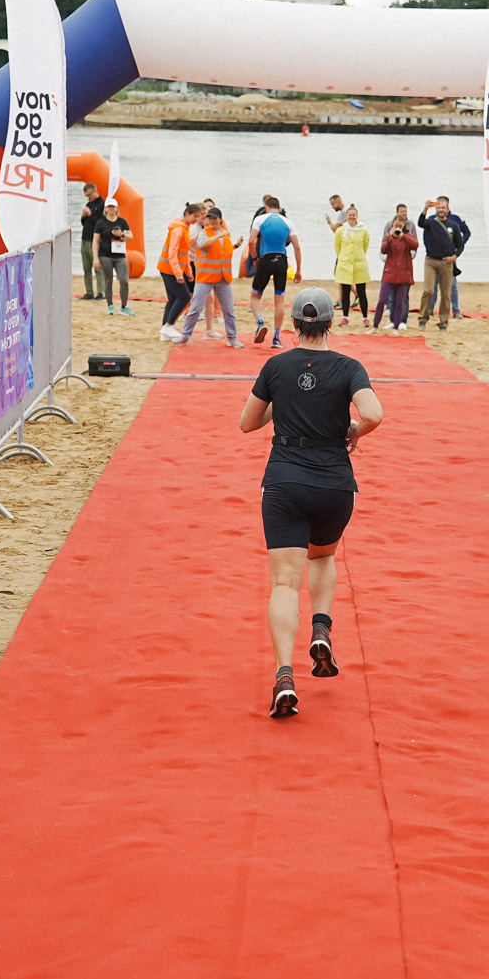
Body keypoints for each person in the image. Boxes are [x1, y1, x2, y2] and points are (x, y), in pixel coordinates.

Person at [238, 286, 383, 718]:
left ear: (296, 324)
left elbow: (247, 423)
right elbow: (374, 413)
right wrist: (354, 431)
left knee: (284, 583)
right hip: (334, 484)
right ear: (330, 322)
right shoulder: (349, 367)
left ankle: (285, 674)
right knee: (322, 558)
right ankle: (321, 628)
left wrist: (279, 403)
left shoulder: (275, 366)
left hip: (284, 481)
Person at [242, 194, 303, 346]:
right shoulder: (288, 222)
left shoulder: (260, 219)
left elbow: (251, 241)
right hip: (282, 261)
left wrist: (255, 259)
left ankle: (261, 322)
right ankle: (276, 338)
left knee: (255, 296)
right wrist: (298, 270)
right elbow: (296, 247)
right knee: (279, 300)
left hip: (266, 260)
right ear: (280, 208)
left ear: (266, 208)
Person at [175, 205, 240, 346]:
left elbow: (225, 252)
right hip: (205, 278)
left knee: (229, 310)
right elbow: (202, 245)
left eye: (214, 218)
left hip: (223, 278)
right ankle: (185, 335)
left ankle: (232, 338)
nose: (211, 221)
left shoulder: (224, 233)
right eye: (209, 218)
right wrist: (219, 235)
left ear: (220, 220)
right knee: (195, 308)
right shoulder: (205, 233)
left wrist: (236, 246)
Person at [416, 195, 468, 327]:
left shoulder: (454, 225)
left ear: (448, 209)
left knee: (446, 294)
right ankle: (423, 317)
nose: (441, 210)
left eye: (443, 207)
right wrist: (425, 209)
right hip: (431, 261)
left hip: (447, 262)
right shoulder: (431, 222)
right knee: (428, 290)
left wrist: (454, 257)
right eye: (439, 207)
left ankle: (443, 321)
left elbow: (460, 245)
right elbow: (420, 223)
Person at [157, 201, 201, 341]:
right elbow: (172, 253)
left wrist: (188, 273)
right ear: (187, 214)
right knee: (184, 297)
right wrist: (178, 274)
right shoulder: (178, 229)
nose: (196, 219)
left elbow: (185, 253)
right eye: (195, 216)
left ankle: (165, 331)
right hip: (169, 269)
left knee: (172, 299)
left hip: (173, 268)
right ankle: (168, 326)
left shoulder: (186, 228)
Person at [377, 209, 418, 332]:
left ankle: (401, 322)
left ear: (404, 226)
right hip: (391, 272)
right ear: (392, 225)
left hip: (404, 272)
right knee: (388, 299)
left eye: (400, 226)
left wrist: (403, 236)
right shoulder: (388, 236)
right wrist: (390, 237)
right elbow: (383, 249)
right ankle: (390, 321)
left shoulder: (408, 235)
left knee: (402, 299)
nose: (398, 228)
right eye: (396, 226)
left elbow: (415, 245)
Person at [332, 203, 371, 326]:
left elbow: (365, 246)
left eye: (354, 215)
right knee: (345, 292)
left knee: (362, 292)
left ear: (357, 216)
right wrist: (344, 258)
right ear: (346, 216)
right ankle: (345, 317)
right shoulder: (340, 231)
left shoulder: (363, 230)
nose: (351, 217)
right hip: (345, 264)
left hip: (359, 265)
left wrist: (358, 257)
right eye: (349, 215)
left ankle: (365, 318)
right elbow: (337, 247)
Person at [100, 202, 134, 314]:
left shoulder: (122, 222)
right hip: (105, 255)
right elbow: (95, 241)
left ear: (116, 208)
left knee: (124, 281)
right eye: (109, 207)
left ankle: (124, 306)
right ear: (106, 209)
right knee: (108, 280)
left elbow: (131, 237)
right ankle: (110, 305)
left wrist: (121, 235)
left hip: (120, 256)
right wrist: (95, 257)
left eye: (113, 207)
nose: (111, 209)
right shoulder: (101, 222)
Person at [79, 184, 105, 300]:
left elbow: (100, 224)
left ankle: (100, 293)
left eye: (89, 195)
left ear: (95, 191)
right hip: (85, 238)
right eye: (86, 196)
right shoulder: (89, 204)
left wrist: (90, 215)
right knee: (86, 267)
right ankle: (89, 291)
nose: (88, 198)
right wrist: (84, 216)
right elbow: (84, 224)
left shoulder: (102, 204)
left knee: (97, 267)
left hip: (96, 240)